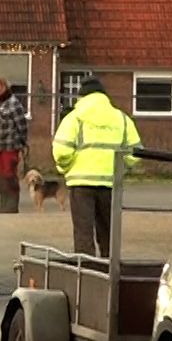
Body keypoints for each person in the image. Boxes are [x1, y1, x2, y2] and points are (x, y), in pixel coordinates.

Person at [52, 77, 142, 260]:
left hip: (81, 184)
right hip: (110, 185)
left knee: (83, 233)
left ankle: (87, 272)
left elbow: (61, 151)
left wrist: (66, 169)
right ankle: (109, 270)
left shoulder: (75, 118)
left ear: (81, 96)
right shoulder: (121, 118)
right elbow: (136, 152)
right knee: (108, 234)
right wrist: (119, 168)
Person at [0, 77, 27, 214]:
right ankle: (3, 203)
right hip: (0, 145)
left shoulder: (14, 103)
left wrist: (22, 142)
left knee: (9, 174)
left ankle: (12, 205)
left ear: (3, 87)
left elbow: (21, 125)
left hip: (11, 145)